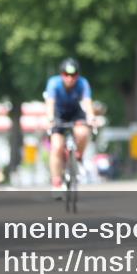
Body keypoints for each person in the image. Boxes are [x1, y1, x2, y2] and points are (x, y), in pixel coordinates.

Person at [44, 57, 96, 197]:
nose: (70, 78)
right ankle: (56, 183)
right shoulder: (53, 83)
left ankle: (78, 158)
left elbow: (87, 102)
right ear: (62, 74)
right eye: (66, 75)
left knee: (83, 132)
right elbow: (50, 103)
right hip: (58, 114)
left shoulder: (83, 83)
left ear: (77, 75)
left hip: (75, 113)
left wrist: (91, 117)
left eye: (73, 75)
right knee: (56, 147)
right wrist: (49, 119)